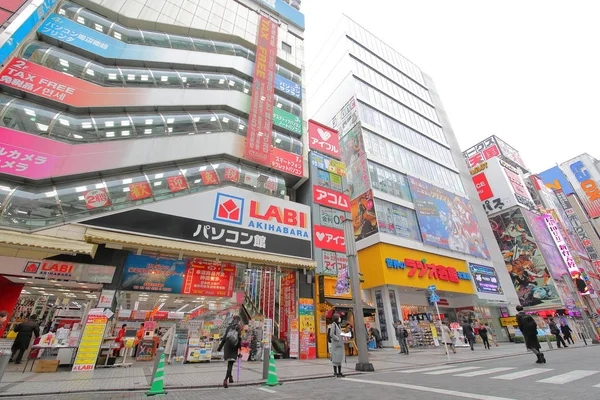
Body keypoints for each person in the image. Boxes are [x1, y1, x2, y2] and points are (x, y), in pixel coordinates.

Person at [217, 316, 242, 388]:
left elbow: (224, 338)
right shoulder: (238, 327)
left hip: (227, 347)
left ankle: (230, 378)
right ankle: (225, 380)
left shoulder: (229, 327)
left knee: (229, 363)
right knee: (230, 365)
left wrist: (219, 347)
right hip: (234, 347)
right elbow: (239, 338)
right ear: (238, 320)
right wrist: (240, 348)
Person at [329, 313, 345, 377]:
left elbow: (340, 333)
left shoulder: (339, 325)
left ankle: (340, 372)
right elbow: (331, 334)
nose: (340, 318)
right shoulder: (333, 325)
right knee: (335, 358)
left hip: (340, 344)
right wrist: (337, 338)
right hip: (336, 344)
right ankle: (335, 372)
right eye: (339, 317)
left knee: (339, 358)